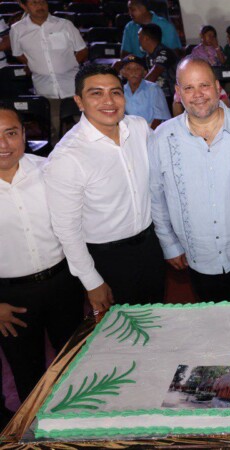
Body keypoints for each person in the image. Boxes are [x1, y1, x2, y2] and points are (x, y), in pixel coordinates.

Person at [44, 64, 166, 312]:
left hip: (150, 247)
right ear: (79, 101)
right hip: (107, 259)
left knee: (159, 319)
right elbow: (67, 230)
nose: (108, 101)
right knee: (122, 337)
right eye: (96, 93)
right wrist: (91, 281)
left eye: (115, 92)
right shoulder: (67, 157)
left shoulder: (139, 127)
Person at [149, 58, 230, 302]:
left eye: (204, 85)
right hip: (198, 257)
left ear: (217, 88)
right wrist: (169, 244)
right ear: (177, 93)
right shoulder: (162, 138)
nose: (198, 95)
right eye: (189, 88)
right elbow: (156, 196)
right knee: (215, 327)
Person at [0, 103, 84, 408]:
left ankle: (79, 427)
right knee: (28, 376)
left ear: (24, 133)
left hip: (63, 284)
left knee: (75, 364)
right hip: (11, 299)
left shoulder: (48, 169)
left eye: (10, 133)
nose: (3, 144)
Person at [10, 0, 87, 143]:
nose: (40, 6)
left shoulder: (64, 25)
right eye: (34, 3)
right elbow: (18, 53)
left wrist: (69, 65)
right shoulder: (17, 29)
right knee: (54, 135)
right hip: (45, 90)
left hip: (73, 87)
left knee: (85, 131)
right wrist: (35, 65)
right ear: (23, 6)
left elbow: (82, 50)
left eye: (42, 2)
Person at [119, 55, 171, 129]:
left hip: (153, 129)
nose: (133, 72)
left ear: (144, 72)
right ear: (123, 73)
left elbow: (159, 117)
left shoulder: (153, 89)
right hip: (129, 130)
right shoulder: (121, 91)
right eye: (128, 69)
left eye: (137, 68)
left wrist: (148, 134)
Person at [139, 23, 179, 98]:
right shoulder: (148, 55)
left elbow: (153, 75)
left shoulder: (165, 53)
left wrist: (137, 91)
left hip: (172, 98)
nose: (138, 39)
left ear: (146, 38)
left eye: (139, 36)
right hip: (157, 97)